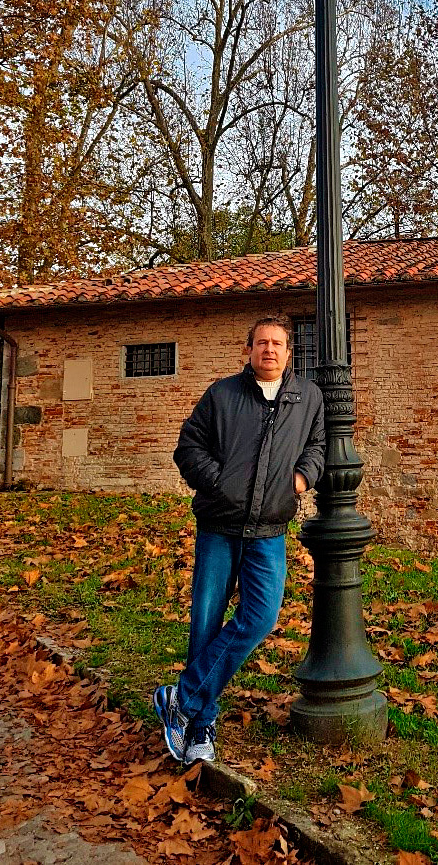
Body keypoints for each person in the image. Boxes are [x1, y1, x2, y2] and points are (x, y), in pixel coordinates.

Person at [153, 314, 325, 764]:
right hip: (219, 528)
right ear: (248, 350)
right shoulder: (222, 394)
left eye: (278, 343)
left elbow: (318, 446)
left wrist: (302, 479)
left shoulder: (308, 398)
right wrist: (219, 484)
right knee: (205, 626)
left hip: (269, 530)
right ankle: (200, 722)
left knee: (260, 619)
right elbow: (188, 448)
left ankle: (181, 699)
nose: (269, 350)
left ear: (290, 352)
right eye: (261, 342)